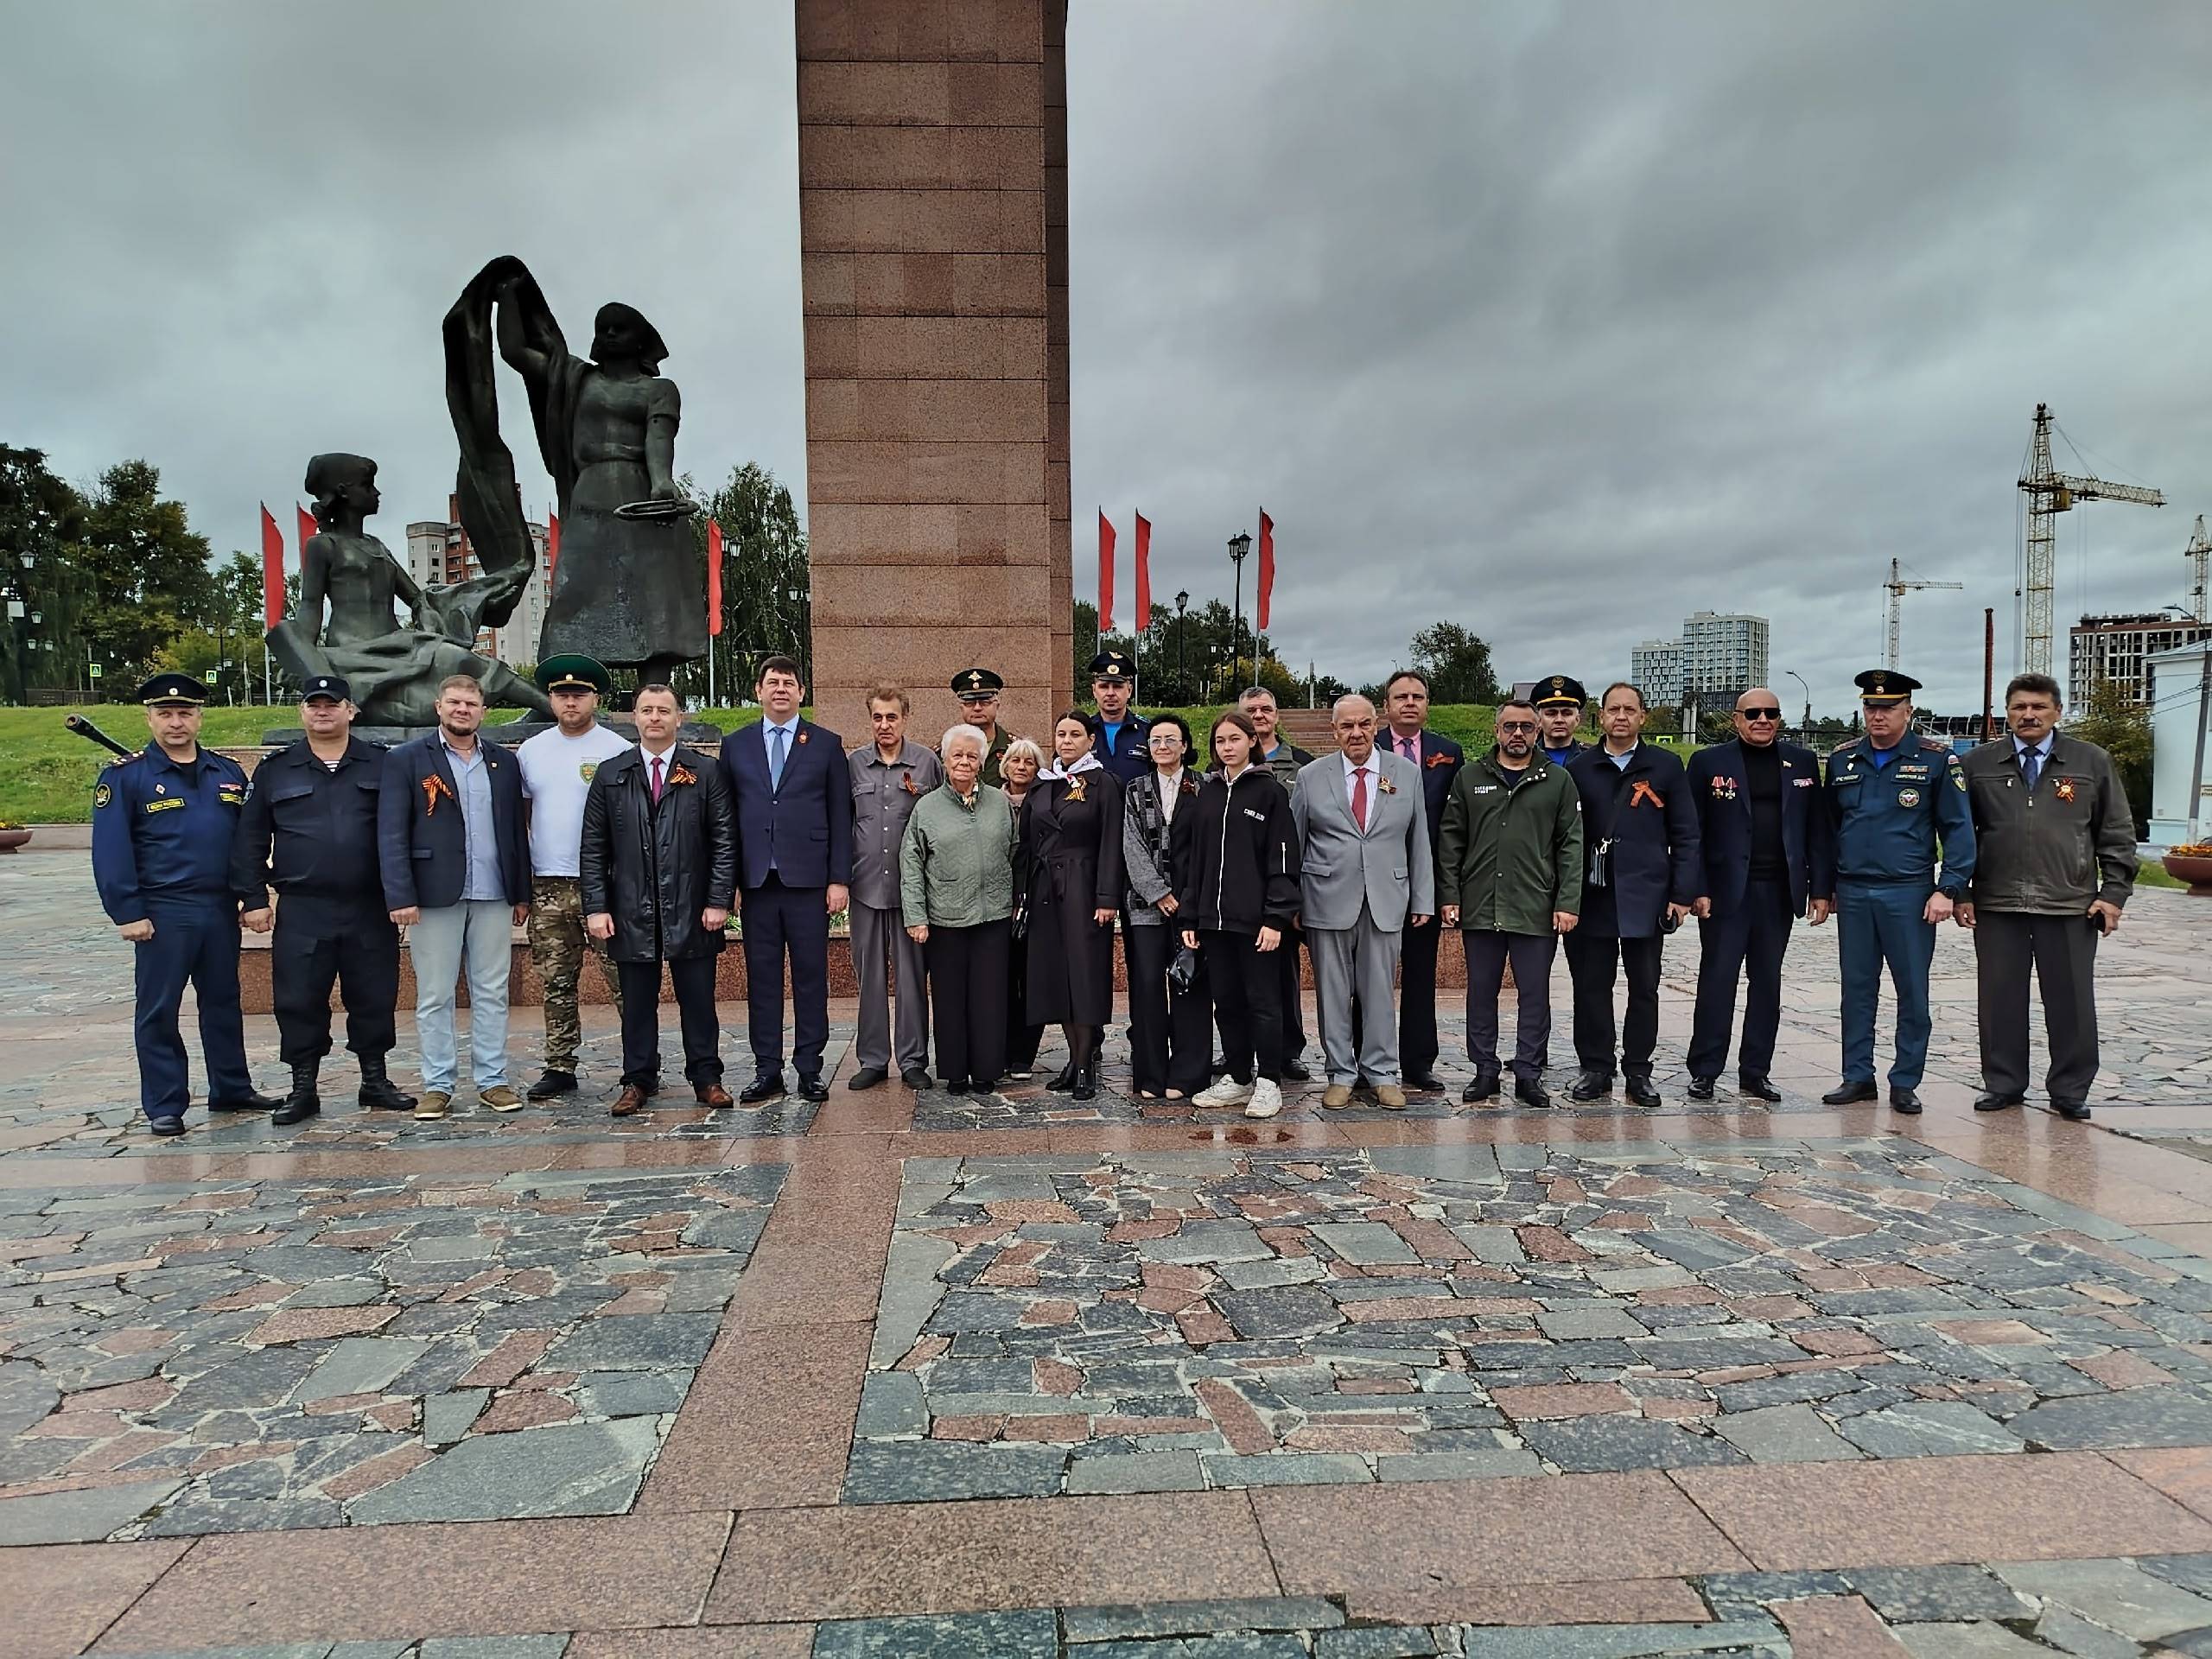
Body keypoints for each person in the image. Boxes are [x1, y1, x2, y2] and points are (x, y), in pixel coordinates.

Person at [92, 674, 276, 1136]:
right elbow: (111, 851)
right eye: (165, 713)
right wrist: (127, 911)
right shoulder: (126, 777)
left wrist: (253, 896)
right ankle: (165, 1102)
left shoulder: (226, 772)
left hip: (219, 908)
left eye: (185, 713)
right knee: (159, 1009)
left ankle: (231, 1087)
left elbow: (246, 844)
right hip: (163, 910)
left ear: (199, 717)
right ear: (149, 719)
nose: (176, 722)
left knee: (223, 1002)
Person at [233, 674, 413, 1125]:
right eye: (314, 704)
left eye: (332, 704)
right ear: (302, 712)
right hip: (303, 906)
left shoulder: (382, 764)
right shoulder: (277, 769)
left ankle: (375, 1080)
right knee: (298, 998)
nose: (322, 711)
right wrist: (254, 898)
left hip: (369, 904)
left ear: (350, 711)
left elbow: (404, 832)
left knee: (374, 995)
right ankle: (303, 1087)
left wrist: (404, 893)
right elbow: (250, 839)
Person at [1958, 671, 2133, 1122]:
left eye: (2038, 707)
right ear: (2006, 713)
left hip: (2070, 903)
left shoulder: (2091, 761)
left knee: (2072, 1001)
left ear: (2057, 711)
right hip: (1998, 902)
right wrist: (1961, 891)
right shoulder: (1978, 764)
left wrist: (2113, 894)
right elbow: (1960, 833)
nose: (2029, 715)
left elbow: (2115, 831)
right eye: (2019, 707)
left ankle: (2070, 1090)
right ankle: (2003, 1084)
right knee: (1999, 1000)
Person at [266, 452, 550, 726]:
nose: (376, 493)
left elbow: (418, 598)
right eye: (367, 486)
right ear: (343, 492)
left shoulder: (377, 546)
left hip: (399, 644)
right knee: (454, 660)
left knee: (458, 657)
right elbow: (310, 606)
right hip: (352, 651)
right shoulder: (322, 545)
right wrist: (300, 656)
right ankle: (551, 709)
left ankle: (552, 710)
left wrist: (482, 593)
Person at [1819, 670, 1976, 1116]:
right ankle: (1857, 1075)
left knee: (1912, 992)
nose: (1878, 715)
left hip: (1907, 892)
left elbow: (1959, 830)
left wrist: (1948, 889)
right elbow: (1830, 829)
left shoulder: (1936, 760)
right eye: (1871, 707)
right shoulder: (1843, 759)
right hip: (1853, 891)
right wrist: (1825, 887)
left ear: (1908, 711)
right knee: (1856, 989)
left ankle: (1905, 1080)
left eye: (1888, 708)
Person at [379, 674, 531, 1120]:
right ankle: (438, 1084)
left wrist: (521, 891)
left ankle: (492, 1080)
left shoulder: (504, 762)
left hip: (493, 893)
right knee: (435, 994)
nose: (462, 710)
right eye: (454, 702)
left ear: (483, 711)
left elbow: (516, 832)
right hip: (432, 895)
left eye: (470, 703)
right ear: (438, 707)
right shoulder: (406, 760)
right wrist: (400, 895)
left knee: (492, 991)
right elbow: (391, 832)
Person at [581, 684, 737, 1116]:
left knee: (698, 1000)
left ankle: (707, 1078)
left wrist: (718, 900)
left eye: (664, 710)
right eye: (647, 710)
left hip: (691, 907)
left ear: (678, 718)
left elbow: (724, 841)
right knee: (637, 1005)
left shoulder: (704, 771)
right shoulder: (611, 774)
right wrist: (596, 906)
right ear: (635, 717)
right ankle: (638, 1079)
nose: (655, 718)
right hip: (631, 908)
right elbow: (593, 847)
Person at [1684, 687, 1836, 1103]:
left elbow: (1817, 829)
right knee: (1718, 981)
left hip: (1778, 891)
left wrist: (1821, 888)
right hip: (1725, 893)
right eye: (1753, 714)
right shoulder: (1708, 762)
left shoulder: (1802, 762)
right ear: (1736, 719)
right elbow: (1691, 832)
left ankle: (1755, 1071)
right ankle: (1705, 1070)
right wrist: (1696, 887)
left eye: (1771, 713)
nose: (1762, 720)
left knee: (1767, 983)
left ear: (1780, 718)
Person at [1437, 698, 1583, 1109]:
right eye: (1509, 726)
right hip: (1480, 905)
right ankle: (1484, 1069)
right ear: (1496, 730)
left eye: (1526, 727)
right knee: (1480, 993)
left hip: (1535, 906)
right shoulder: (1469, 777)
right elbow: (1451, 839)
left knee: (1534, 995)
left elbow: (1571, 844)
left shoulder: (1558, 780)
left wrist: (1567, 901)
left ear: (1538, 732)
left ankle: (1528, 1072)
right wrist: (1449, 894)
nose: (1517, 734)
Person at [721, 655, 851, 1103]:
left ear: (801, 692)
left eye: (789, 683)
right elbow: (726, 819)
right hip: (757, 882)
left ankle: (810, 1068)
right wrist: (729, 883)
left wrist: (839, 879)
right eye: (772, 682)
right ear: (758, 691)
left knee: (811, 978)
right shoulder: (735, 746)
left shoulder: (826, 744)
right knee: (762, 980)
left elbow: (840, 814)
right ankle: (767, 1069)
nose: (781, 689)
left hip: (809, 883)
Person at [1563, 683, 1701, 1106]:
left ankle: (1639, 1070)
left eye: (1629, 709)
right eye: (1613, 709)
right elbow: (1564, 836)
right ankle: (1596, 1067)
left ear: (1642, 716)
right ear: (1600, 717)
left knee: (1644, 988)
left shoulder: (1665, 766)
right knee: (1591, 987)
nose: (1621, 716)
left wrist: (1681, 893)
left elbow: (1686, 833)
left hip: (1647, 894)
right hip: (1593, 895)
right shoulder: (1579, 769)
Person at [1292, 695, 1431, 1109]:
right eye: (1347, 726)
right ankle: (1340, 1073)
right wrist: (1292, 902)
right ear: (1334, 731)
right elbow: (1296, 841)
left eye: (1364, 724)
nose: (1356, 733)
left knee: (1380, 992)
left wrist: (1423, 898)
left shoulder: (1406, 773)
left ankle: (1382, 1072)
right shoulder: (1310, 777)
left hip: (1386, 898)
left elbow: (1419, 840)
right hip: (1326, 898)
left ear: (1377, 725)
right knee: (1333, 993)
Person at [514, 654, 630, 1098]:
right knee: (556, 981)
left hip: (605, 884)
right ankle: (560, 1064)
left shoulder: (616, 749)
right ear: (551, 699)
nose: (570, 702)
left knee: (624, 979)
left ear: (595, 699)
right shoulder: (532, 750)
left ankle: (640, 1061)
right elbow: (525, 814)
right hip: (548, 883)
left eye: (579, 694)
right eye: (562, 694)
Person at [1179, 711, 1302, 1120]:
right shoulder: (1208, 793)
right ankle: (1238, 1076)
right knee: (1227, 1002)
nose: (1227, 747)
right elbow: (1197, 861)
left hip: (1257, 924)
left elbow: (1282, 858)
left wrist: (1276, 917)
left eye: (1234, 739)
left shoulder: (1270, 792)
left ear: (1252, 741)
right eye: (1220, 741)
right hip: (1215, 923)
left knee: (1263, 1002)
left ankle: (1268, 1081)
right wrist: (1191, 917)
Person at [901, 724, 1020, 1096]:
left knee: (990, 997)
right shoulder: (927, 807)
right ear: (945, 759)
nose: (965, 761)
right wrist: (916, 916)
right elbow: (911, 862)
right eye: (958, 755)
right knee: (950, 999)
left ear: (981, 761)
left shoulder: (999, 802)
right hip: (945, 917)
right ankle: (954, 1071)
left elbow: (1014, 850)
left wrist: (1013, 899)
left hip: (993, 916)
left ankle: (986, 1070)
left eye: (972, 755)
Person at [1024, 713, 1126, 1099]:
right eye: (1061, 734)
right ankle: (1072, 1059)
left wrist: (1107, 897)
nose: (1066, 741)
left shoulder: (1103, 783)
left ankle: (1086, 1064)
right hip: (1045, 891)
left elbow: (1112, 841)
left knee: (1083, 977)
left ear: (1090, 741)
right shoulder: (1044, 782)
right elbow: (1027, 841)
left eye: (1075, 734)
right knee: (1058, 979)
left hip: (1084, 889)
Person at [849, 683, 942, 1090]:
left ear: (905, 718)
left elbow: (940, 820)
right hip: (865, 887)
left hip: (912, 893)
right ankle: (872, 1060)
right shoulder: (853, 764)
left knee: (911, 978)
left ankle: (913, 1059)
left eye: (892, 717)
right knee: (869, 979)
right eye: (877, 717)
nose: (884, 725)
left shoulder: (927, 764)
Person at [1376, 669, 1462, 1090]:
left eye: (1418, 697)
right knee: (1369, 977)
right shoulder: (1368, 747)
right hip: (1376, 880)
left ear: (1428, 704)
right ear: (1386, 706)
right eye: (1401, 697)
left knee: (1421, 974)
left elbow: (1455, 823)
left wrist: (1446, 889)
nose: (1409, 703)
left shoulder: (1449, 752)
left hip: (1426, 879)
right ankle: (1367, 1058)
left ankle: (1418, 1061)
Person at [1122, 715, 1210, 1099]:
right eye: (1156, 740)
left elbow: (1211, 847)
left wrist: (1188, 897)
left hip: (1193, 906)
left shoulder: (1205, 786)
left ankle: (1188, 1075)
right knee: (1147, 987)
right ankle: (1151, 1074)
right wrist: (1158, 892)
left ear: (1185, 745)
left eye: (1170, 739)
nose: (1162, 746)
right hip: (1146, 905)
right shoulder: (1136, 789)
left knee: (1191, 984)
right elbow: (1131, 845)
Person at [1243, 685, 1319, 1081]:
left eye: (1265, 709)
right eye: (1251, 710)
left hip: (1283, 888)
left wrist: (1297, 896)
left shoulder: (1304, 765)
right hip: (1239, 889)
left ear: (1276, 715)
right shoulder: (1223, 764)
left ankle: (1289, 1051)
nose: (1259, 716)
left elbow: (1312, 831)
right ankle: (1240, 1052)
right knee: (1239, 976)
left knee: (1284, 976)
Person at [999, 737, 1046, 1078]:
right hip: (997, 902)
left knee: (1031, 979)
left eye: (1029, 762)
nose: (1021, 767)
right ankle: (1001, 1048)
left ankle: (1024, 1055)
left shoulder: (1046, 800)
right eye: (1015, 760)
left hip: (1035, 899)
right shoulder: (989, 800)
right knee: (1002, 979)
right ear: (1005, 766)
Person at [1084, 650, 1154, 785]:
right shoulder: (1082, 731)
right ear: (1094, 691)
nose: (1110, 693)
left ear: (1129, 690)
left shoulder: (1148, 731)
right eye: (1104, 687)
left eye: (1117, 687)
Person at [951, 665, 1015, 786]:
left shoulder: (1015, 749)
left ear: (997, 706)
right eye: (970, 703)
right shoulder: (946, 751)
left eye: (985, 702)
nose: (977, 708)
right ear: (961, 708)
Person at [1532, 676, 1590, 768]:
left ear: (1577, 719)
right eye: (1551, 714)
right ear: (1539, 720)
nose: (1559, 720)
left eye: (1566, 714)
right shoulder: (1526, 757)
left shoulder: (1592, 757)